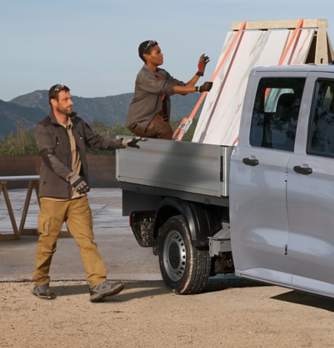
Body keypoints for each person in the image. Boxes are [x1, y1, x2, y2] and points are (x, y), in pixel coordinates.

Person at [33, 84, 145, 302]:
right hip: (53, 195)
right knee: (48, 242)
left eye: (70, 98)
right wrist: (71, 176)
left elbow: (97, 141)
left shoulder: (77, 123)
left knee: (87, 241)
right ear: (53, 102)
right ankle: (40, 282)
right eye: (65, 99)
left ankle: (98, 284)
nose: (70, 102)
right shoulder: (44, 127)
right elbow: (49, 157)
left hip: (77, 197)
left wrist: (123, 143)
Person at [126, 41, 213, 140]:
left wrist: (199, 73)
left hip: (155, 120)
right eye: (157, 52)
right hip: (140, 121)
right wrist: (199, 88)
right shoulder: (144, 76)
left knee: (163, 130)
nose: (162, 55)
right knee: (164, 129)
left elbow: (183, 88)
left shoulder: (162, 73)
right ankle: (168, 154)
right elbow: (168, 88)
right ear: (146, 56)